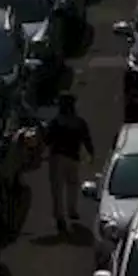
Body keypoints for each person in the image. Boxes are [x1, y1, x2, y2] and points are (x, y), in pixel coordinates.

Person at [44, 93, 94, 233]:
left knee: (57, 189)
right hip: (73, 158)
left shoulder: (55, 122)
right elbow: (87, 139)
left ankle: (59, 216)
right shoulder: (79, 122)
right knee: (72, 185)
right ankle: (72, 210)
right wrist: (91, 153)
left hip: (57, 158)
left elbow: (47, 140)